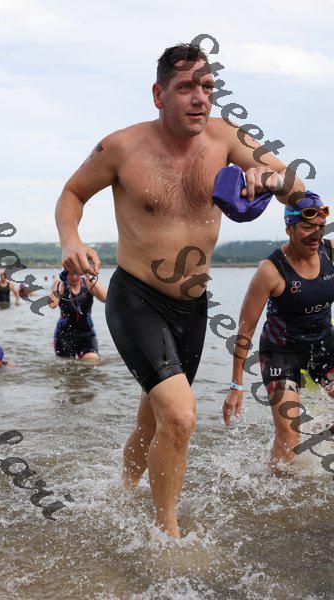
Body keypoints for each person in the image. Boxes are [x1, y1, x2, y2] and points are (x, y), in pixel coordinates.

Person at [55, 43, 305, 537]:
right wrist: (70, 240)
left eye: (207, 87)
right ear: (159, 95)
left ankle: (121, 492)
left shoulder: (227, 137)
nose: (200, 98)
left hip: (192, 308)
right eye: (186, 87)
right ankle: (166, 535)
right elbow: (72, 193)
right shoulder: (121, 147)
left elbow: (297, 188)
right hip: (136, 298)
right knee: (181, 416)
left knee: (154, 420)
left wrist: (270, 178)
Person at [223, 194, 334, 473]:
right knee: (288, 439)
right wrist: (236, 385)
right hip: (281, 353)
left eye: (321, 227)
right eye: (307, 227)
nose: (316, 235)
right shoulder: (270, 271)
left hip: (324, 345)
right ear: (289, 228)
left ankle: (317, 433)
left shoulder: (331, 253)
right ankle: (271, 484)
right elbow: (245, 330)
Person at [49, 270, 107, 360]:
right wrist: (59, 283)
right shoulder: (60, 285)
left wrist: (90, 276)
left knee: (92, 360)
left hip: (87, 334)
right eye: (71, 274)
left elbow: (105, 298)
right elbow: (52, 304)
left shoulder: (88, 283)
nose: (75, 277)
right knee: (67, 365)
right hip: (64, 335)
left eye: (77, 273)